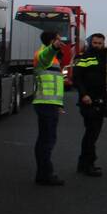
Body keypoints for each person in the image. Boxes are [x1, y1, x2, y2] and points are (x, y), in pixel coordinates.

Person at [72, 32, 107, 177]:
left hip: (100, 100)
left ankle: (83, 164)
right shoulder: (84, 57)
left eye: (100, 43)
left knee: (92, 133)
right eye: (95, 43)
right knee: (91, 134)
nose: (98, 46)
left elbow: (102, 83)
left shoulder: (102, 58)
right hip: (88, 101)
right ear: (90, 43)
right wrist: (84, 95)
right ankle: (88, 164)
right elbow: (77, 78)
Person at [33, 31, 66, 186]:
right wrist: (53, 47)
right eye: (58, 39)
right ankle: (46, 174)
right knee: (47, 140)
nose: (61, 41)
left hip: (50, 104)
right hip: (45, 104)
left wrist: (59, 105)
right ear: (52, 41)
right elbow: (44, 56)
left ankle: (43, 173)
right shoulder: (44, 54)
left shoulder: (53, 58)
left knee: (45, 139)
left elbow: (56, 84)